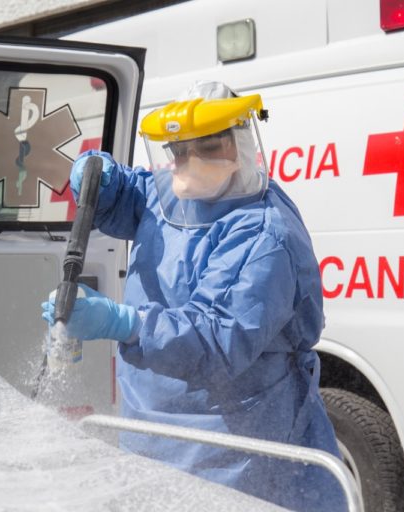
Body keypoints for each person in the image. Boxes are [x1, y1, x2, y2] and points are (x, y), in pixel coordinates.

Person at [42, 81, 346, 511]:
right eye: (179, 150)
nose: (189, 162)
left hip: (232, 445)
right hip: (150, 431)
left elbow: (217, 340)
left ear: (240, 143)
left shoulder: (263, 233)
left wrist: (123, 322)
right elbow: (135, 194)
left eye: (207, 146)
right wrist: (101, 177)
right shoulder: (179, 192)